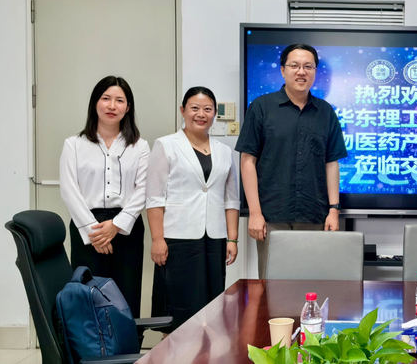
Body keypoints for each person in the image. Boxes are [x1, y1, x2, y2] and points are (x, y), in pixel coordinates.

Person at [235, 43, 348, 278]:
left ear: (315, 72)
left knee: (311, 283)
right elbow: (247, 161)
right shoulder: (261, 107)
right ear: (283, 70)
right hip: (271, 216)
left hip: (314, 215)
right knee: (271, 286)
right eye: (294, 65)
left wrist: (334, 210)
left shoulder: (325, 112)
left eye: (308, 66)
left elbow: (331, 163)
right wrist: (254, 212)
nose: (301, 72)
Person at [146, 86, 240, 329]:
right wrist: (157, 239)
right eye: (195, 108)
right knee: (178, 307)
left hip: (214, 239)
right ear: (183, 110)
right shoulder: (166, 145)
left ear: (214, 113)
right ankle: (174, 347)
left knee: (211, 305)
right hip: (178, 238)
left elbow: (231, 200)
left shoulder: (224, 151)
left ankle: (208, 348)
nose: (201, 114)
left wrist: (232, 239)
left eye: (207, 109)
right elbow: (154, 198)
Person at [59, 76, 148, 317]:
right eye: (106, 98)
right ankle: (89, 341)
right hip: (88, 227)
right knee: (88, 293)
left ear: (127, 107)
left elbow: (143, 189)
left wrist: (116, 225)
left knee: (126, 293)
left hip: (126, 228)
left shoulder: (139, 146)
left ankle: (128, 340)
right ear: (95, 103)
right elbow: (69, 189)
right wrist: (94, 232)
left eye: (119, 100)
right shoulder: (74, 144)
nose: (112, 106)